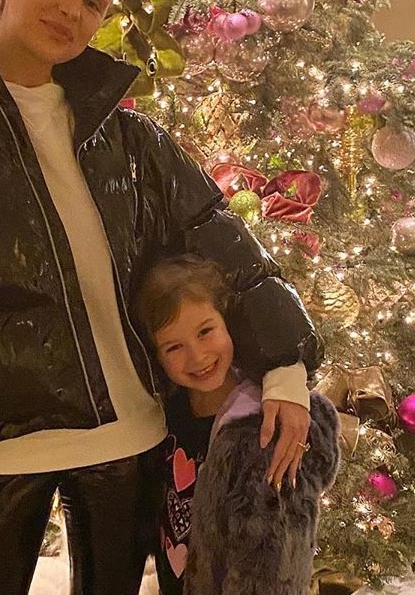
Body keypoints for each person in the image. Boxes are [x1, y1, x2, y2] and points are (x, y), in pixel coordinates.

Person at [0, 0, 322, 589]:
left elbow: (220, 240)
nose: (74, 10)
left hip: (129, 440)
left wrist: (284, 363)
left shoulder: (130, 140)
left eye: (95, 1)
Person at [134, 255, 340, 595]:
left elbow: (270, 563)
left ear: (228, 322)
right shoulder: (168, 411)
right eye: (174, 347)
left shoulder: (262, 430)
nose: (198, 356)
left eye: (205, 332)